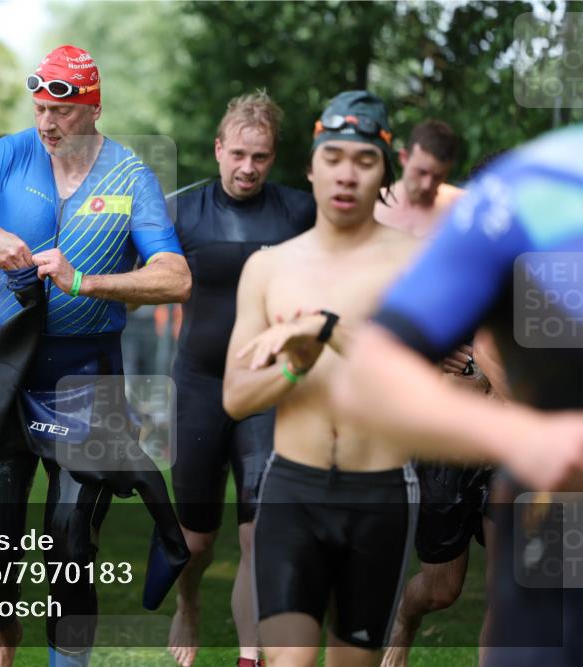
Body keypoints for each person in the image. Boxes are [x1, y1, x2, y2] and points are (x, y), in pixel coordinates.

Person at [0, 45, 192, 667]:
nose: (49, 124)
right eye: (40, 109)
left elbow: (175, 277)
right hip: (5, 368)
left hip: (86, 376)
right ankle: (5, 636)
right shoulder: (7, 155)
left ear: (94, 109)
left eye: (64, 111)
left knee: (70, 541)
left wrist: (88, 282)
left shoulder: (130, 176)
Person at [335, 125, 583, 666]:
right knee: (442, 587)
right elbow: (378, 358)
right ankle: (406, 615)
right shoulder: (522, 202)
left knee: (511, 582)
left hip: (534, 470)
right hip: (459, 447)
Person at [222, 90, 423, 667]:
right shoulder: (268, 267)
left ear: (385, 171)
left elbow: (412, 383)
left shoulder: (415, 265)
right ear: (310, 166)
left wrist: (328, 328)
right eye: (332, 156)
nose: (346, 174)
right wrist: (295, 365)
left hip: (379, 493)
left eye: (364, 161)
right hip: (293, 493)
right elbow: (236, 398)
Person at [168, 91, 315, 667]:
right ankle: (189, 601)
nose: (248, 168)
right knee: (196, 542)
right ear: (218, 149)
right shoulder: (182, 211)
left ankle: (249, 656)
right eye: (238, 155)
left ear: (273, 158)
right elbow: (139, 278)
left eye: (261, 157)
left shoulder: (298, 212)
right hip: (200, 387)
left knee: (259, 533)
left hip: (265, 391)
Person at [375, 120, 464, 237]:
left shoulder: (462, 208)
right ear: (404, 158)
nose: (427, 185)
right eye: (422, 172)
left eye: (438, 177)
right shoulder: (373, 207)